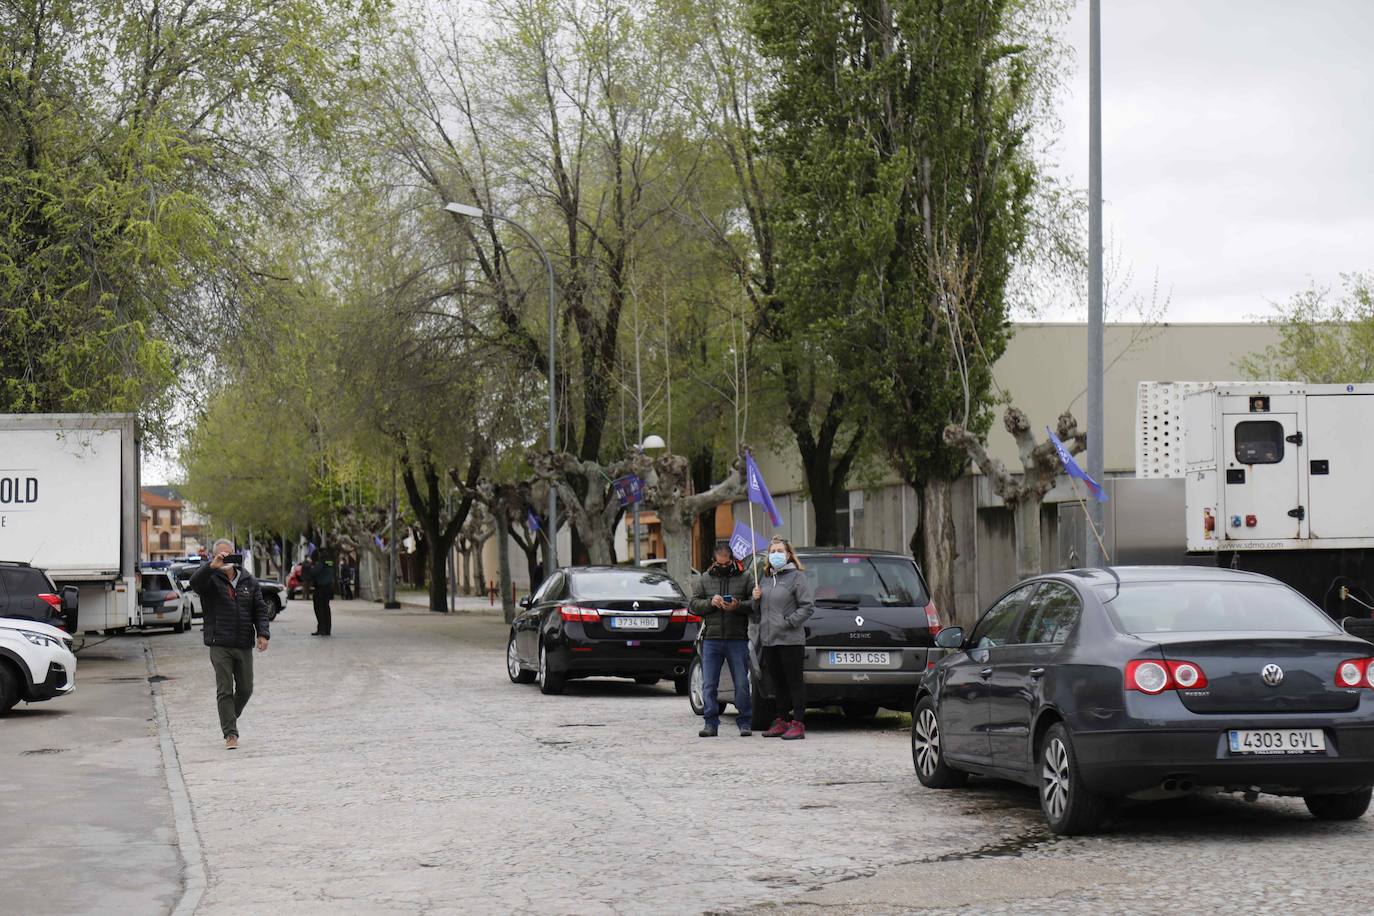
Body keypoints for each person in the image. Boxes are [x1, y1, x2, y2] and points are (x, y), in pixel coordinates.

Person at [189, 539, 270, 750]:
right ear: (215, 556)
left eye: (229, 555)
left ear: (235, 556)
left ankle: (229, 718)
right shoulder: (210, 579)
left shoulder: (249, 581)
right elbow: (194, 584)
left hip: (243, 642)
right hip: (219, 643)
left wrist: (263, 634)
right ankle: (230, 734)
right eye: (221, 555)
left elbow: (260, 610)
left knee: (246, 688)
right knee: (225, 689)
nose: (226, 558)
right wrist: (211, 566)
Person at [689, 541, 754, 737]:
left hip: (737, 637)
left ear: (732, 559)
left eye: (727, 563)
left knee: (742, 683)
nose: (724, 567)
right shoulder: (703, 578)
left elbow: (755, 604)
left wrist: (737, 606)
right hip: (712, 638)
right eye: (720, 564)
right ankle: (710, 723)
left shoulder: (746, 577)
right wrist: (710, 603)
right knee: (709, 683)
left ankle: (745, 722)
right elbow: (693, 605)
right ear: (714, 562)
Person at [752, 537, 814, 741]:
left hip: (790, 640)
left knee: (794, 682)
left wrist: (788, 623)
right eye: (773, 551)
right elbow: (758, 612)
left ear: (788, 554)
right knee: (777, 683)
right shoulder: (766, 579)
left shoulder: (797, 577)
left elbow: (807, 606)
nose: (776, 554)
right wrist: (756, 599)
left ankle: (798, 722)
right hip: (770, 640)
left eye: (780, 551)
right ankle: (781, 720)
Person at [311, 553, 335, 636]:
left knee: (319, 609)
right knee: (326, 608)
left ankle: (322, 629)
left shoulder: (321, 562)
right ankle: (327, 629)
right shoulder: (330, 562)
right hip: (328, 588)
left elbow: (314, 572)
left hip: (320, 588)